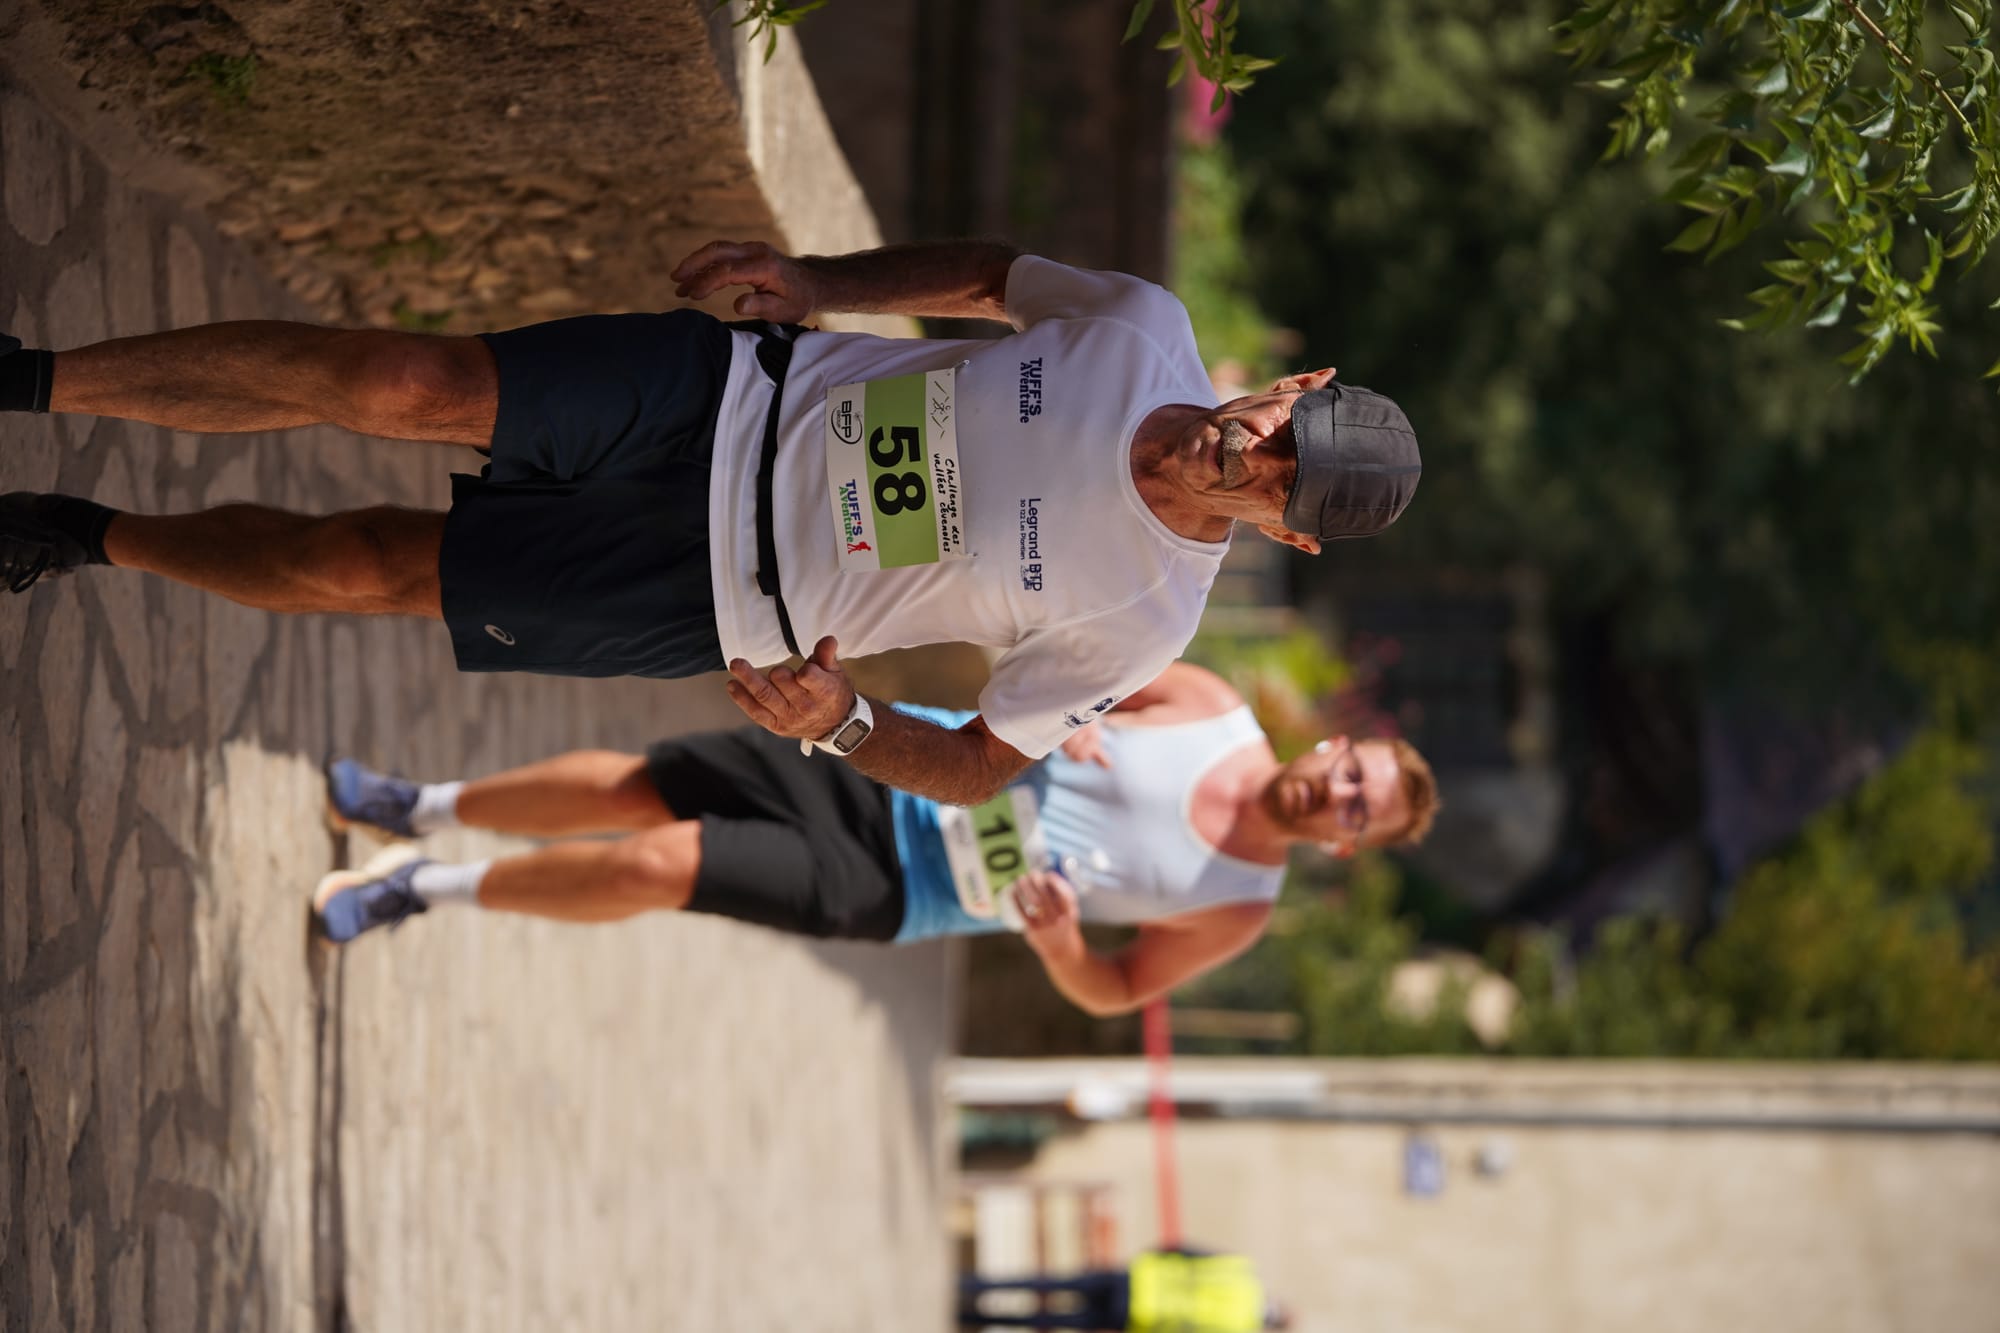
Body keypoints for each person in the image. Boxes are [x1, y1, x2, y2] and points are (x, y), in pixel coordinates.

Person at [0, 241, 1420, 804]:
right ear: (1295, 384)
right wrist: (815, 275)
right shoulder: (1140, 326)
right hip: (720, 398)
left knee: (357, 564)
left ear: (1286, 535)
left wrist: (840, 725)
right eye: (1293, 424)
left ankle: (82, 531)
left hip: (723, 597)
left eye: (1288, 483)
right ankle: (36, 379)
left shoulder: (1145, 614)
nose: (1262, 453)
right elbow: (993, 274)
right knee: (402, 378)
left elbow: (985, 768)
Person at [311, 662, 1438, 1015]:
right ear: (1337, 743)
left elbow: (1115, 986)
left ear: (1347, 844)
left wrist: (1054, 947)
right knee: (640, 787)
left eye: (1356, 808)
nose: (1336, 790)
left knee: (663, 866)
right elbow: (1041, 658)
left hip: (900, 884)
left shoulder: (1235, 904)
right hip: (892, 756)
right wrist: (1074, 716)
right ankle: (426, 802)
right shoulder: (1202, 701)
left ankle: (427, 887)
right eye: (1352, 770)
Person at [958, 1247, 1289, 1331]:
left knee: (1050, 1283)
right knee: (1050, 1320)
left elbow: (1186, 1250)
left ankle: (975, 1285)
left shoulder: (1243, 1271)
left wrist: (1154, 1257)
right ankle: (972, 1315)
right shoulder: (1237, 1329)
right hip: (1136, 1318)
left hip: (1136, 1279)